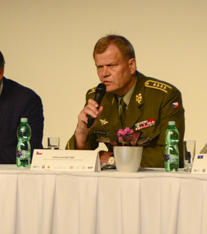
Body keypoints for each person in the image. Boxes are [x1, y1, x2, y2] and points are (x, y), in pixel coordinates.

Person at [68, 35, 184, 168]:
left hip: (154, 178)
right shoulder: (98, 97)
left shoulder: (163, 96)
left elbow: (170, 156)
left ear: (131, 66)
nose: (104, 74)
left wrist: (113, 158)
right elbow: (76, 161)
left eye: (111, 65)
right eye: (99, 67)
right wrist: (81, 133)